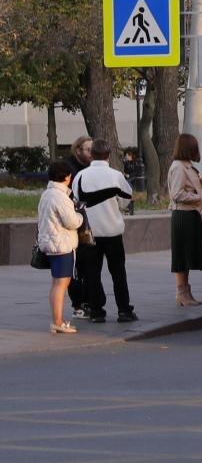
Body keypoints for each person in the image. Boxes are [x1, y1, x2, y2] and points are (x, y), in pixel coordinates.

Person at [71, 139, 136, 323]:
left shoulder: (81, 176)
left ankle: (96, 311)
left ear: (91, 155)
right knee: (118, 272)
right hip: (112, 231)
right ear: (108, 155)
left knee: (92, 273)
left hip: (90, 233)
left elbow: (76, 201)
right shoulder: (116, 176)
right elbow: (126, 200)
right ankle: (124, 310)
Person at [38, 160, 84, 334]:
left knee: (56, 284)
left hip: (51, 243)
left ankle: (57, 320)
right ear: (67, 177)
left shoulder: (47, 194)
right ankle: (58, 322)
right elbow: (71, 222)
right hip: (62, 245)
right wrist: (80, 216)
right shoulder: (60, 197)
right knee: (61, 284)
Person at [168, 133, 202, 307]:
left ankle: (186, 292)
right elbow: (176, 194)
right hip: (183, 215)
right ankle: (181, 293)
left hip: (190, 215)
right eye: (194, 147)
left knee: (186, 255)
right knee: (181, 256)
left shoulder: (188, 166)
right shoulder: (179, 167)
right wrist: (198, 197)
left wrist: (200, 183)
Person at [64, 135, 93, 320]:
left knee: (88, 265)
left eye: (93, 150)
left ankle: (88, 301)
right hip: (73, 223)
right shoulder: (69, 168)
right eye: (88, 150)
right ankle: (78, 304)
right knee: (75, 267)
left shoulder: (91, 167)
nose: (91, 153)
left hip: (88, 223)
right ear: (78, 150)